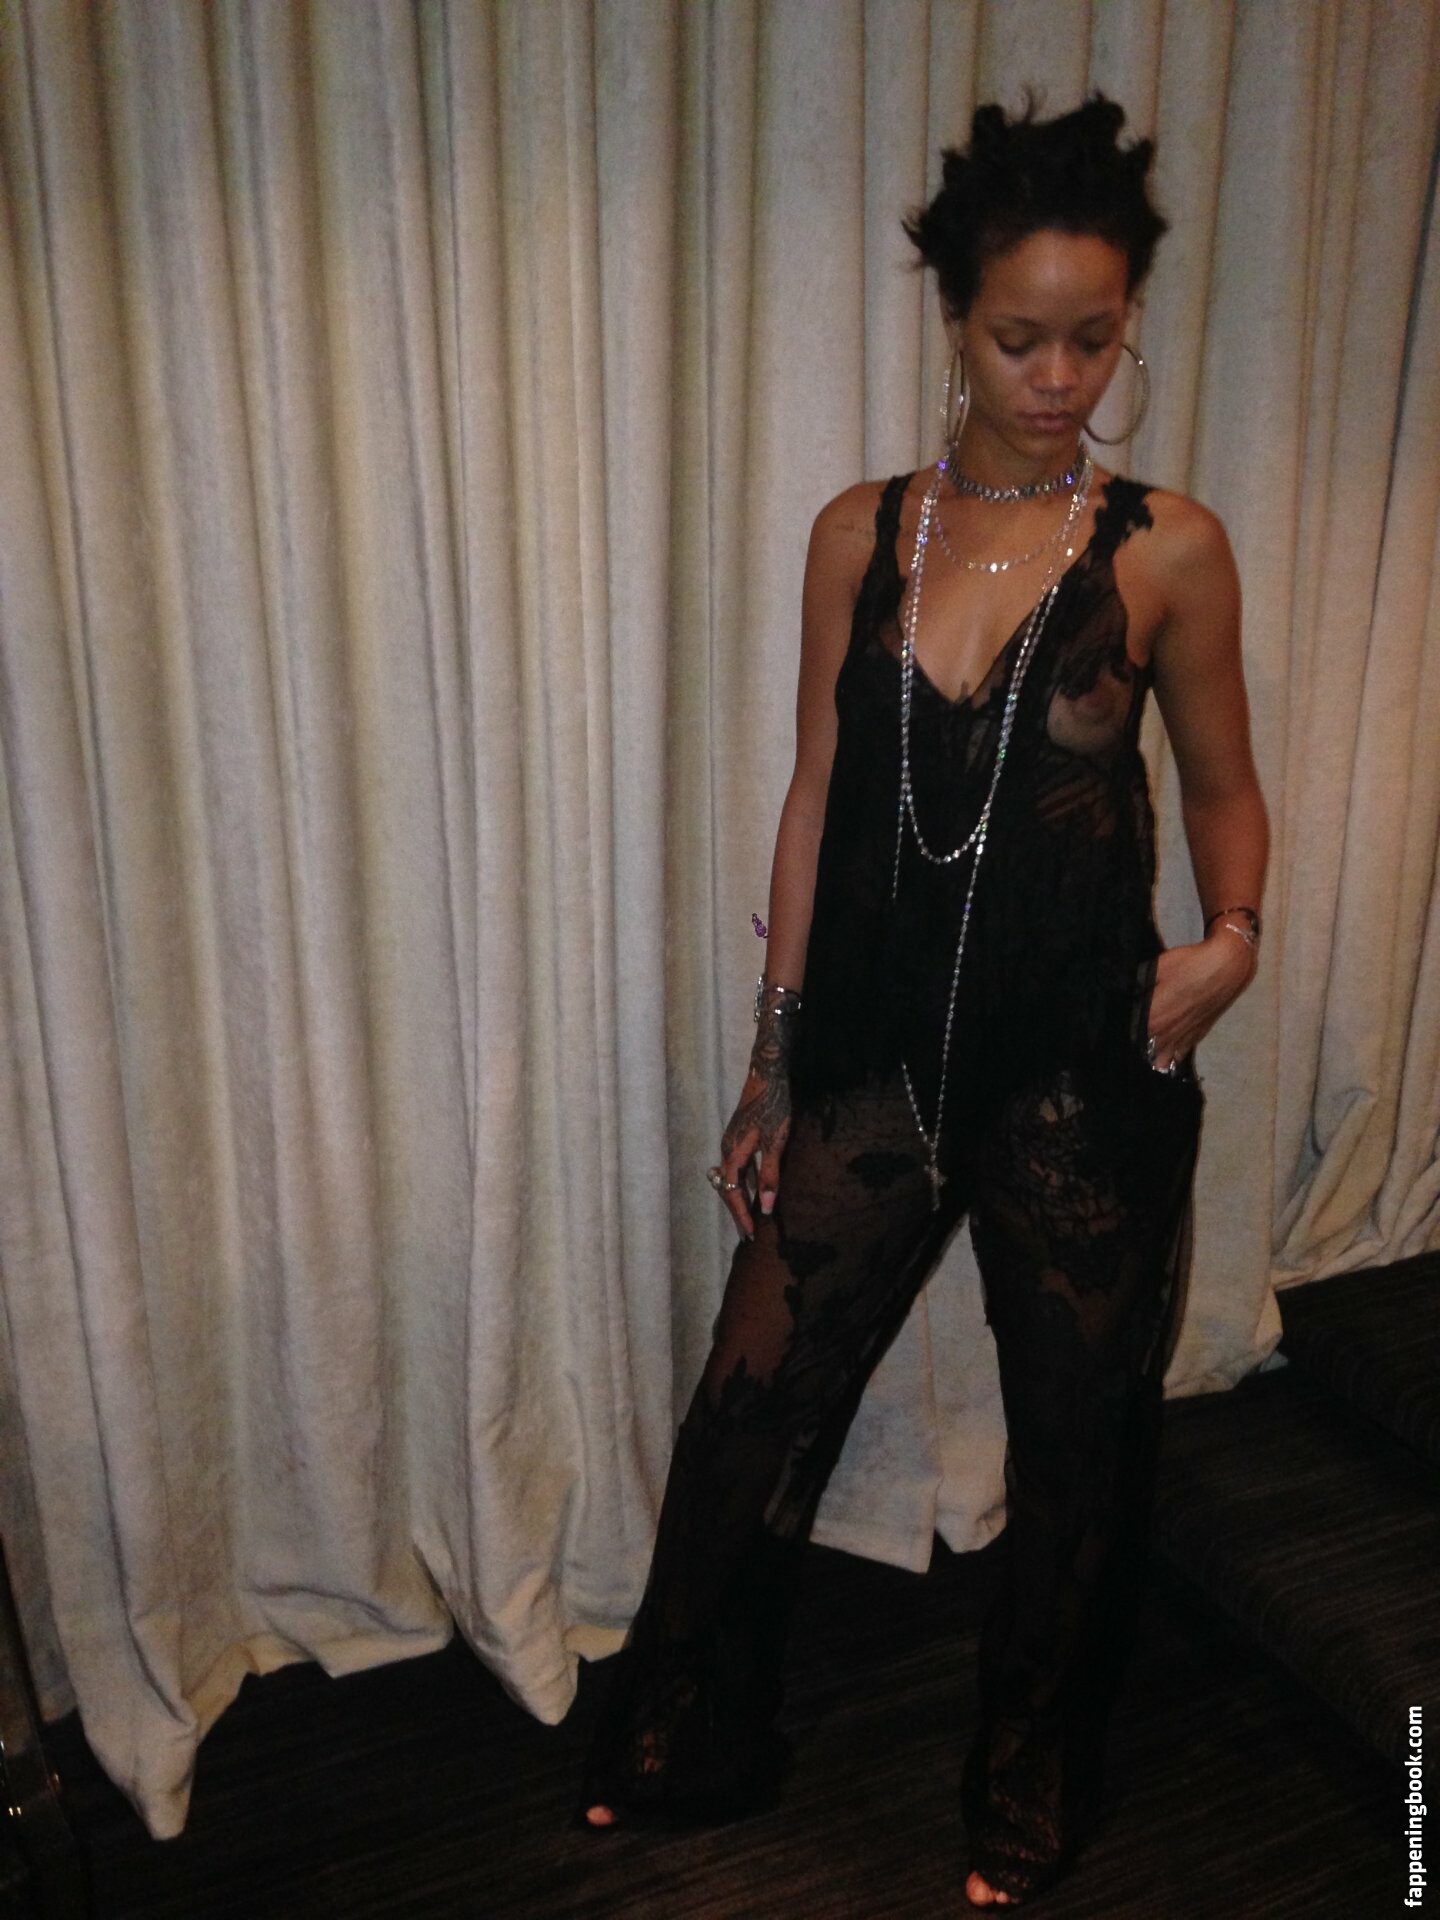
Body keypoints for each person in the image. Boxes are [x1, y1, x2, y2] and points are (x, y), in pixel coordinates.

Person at [574, 89, 1268, 1910]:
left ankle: (1028, 1785)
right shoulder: (858, 535)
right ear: (955, 318)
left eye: (1093, 339)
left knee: (1077, 1448)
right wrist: (773, 1060)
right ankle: (682, 1730)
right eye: (1022, 337)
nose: (1060, 378)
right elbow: (816, 795)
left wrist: (1234, 938)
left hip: (1082, 1076)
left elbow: (1222, 789)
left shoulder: (1167, 550)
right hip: (878, 1060)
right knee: (749, 1407)